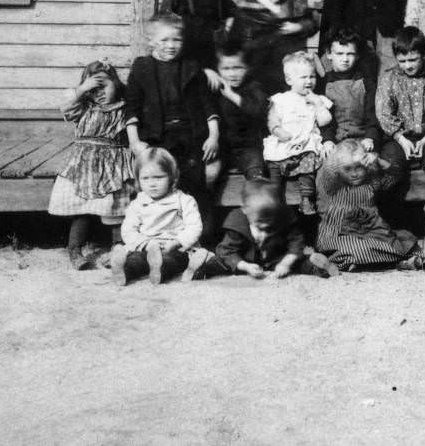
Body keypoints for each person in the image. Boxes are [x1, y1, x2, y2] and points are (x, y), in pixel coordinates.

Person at [125, 14, 219, 238]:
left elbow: (208, 105)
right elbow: (131, 107)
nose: (171, 45)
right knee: (155, 180)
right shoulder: (142, 67)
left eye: (176, 40)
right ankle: (151, 236)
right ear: (151, 40)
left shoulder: (191, 67)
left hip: (190, 136)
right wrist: (135, 141)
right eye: (164, 40)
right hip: (157, 137)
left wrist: (213, 136)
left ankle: (198, 238)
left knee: (194, 184)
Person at [48, 61, 136, 270]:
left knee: (115, 208)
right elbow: (66, 106)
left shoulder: (125, 108)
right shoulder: (84, 108)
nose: (99, 94)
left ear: (115, 82)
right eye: (93, 90)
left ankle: (117, 248)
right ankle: (75, 250)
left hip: (114, 165)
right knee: (83, 208)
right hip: (84, 165)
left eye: (103, 86)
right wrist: (81, 89)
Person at [183, 177, 338, 280]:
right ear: (244, 210)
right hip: (245, 258)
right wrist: (245, 266)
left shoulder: (283, 218)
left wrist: (286, 262)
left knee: (300, 262)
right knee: (221, 262)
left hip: (276, 258)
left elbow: (296, 242)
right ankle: (202, 266)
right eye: (260, 222)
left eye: (270, 221)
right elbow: (227, 250)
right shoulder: (238, 222)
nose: (266, 226)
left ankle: (319, 266)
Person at [376, 26, 425, 221]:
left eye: (413, 60)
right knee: (390, 170)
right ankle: (389, 221)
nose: (408, 65)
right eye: (402, 61)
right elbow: (384, 112)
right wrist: (401, 139)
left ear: (424, 54)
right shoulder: (389, 79)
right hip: (398, 138)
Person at [315, 140, 425, 271]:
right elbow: (328, 171)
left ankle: (375, 261)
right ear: (338, 169)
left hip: (372, 230)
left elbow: (395, 176)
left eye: (358, 167)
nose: (354, 174)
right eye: (347, 169)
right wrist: (335, 157)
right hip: (339, 232)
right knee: (353, 248)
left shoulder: (371, 182)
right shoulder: (334, 184)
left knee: (402, 244)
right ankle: (336, 262)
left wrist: (377, 160)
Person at [110, 147, 204, 285]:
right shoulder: (138, 203)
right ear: (138, 179)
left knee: (172, 261)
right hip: (146, 245)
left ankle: (159, 269)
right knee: (136, 260)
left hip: (174, 247)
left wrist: (177, 242)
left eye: (158, 177)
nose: (152, 184)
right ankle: (123, 270)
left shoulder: (184, 200)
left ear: (172, 177)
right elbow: (128, 229)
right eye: (145, 178)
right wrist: (145, 244)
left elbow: (194, 227)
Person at [263, 52, 332, 239]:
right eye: (303, 77)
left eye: (312, 76)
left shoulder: (317, 99)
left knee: (309, 161)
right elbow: (272, 120)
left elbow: (325, 121)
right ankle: (275, 199)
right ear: (289, 79)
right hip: (285, 142)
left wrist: (318, 104)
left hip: (305, 144)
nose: (309, 81)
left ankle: (306, 198)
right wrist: (278, 130)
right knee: (274, 161)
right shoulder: (280, 99)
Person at [228, 0, 319, 94]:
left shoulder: (293, 4)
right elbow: (235, 37)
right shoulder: (250, 6)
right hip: (257, 64)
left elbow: (312, 23)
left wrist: (299, 27)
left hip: (285, 65)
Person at [205, 41, 269, 184]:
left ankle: (256, 204)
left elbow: (257, 110)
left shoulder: (253, 87)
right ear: (218, 70)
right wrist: (206, 72)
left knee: (257, 174)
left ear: (247, 68)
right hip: (222, 146)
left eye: (238, 68)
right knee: (209, 173)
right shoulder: (215, 87)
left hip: (249, 146)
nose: (232, 74)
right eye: (226, 69)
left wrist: (231, 95)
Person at [320, 28, 382, 152]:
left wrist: (370, 137)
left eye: (350, 54)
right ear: (329, 54)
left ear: (357, 55)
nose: (345, 59)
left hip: (362, 141)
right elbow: (322, 118)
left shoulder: (366, 82)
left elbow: (372, 114)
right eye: (339, 53)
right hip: (334, 143)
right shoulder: (323, 83)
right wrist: (327, 140)